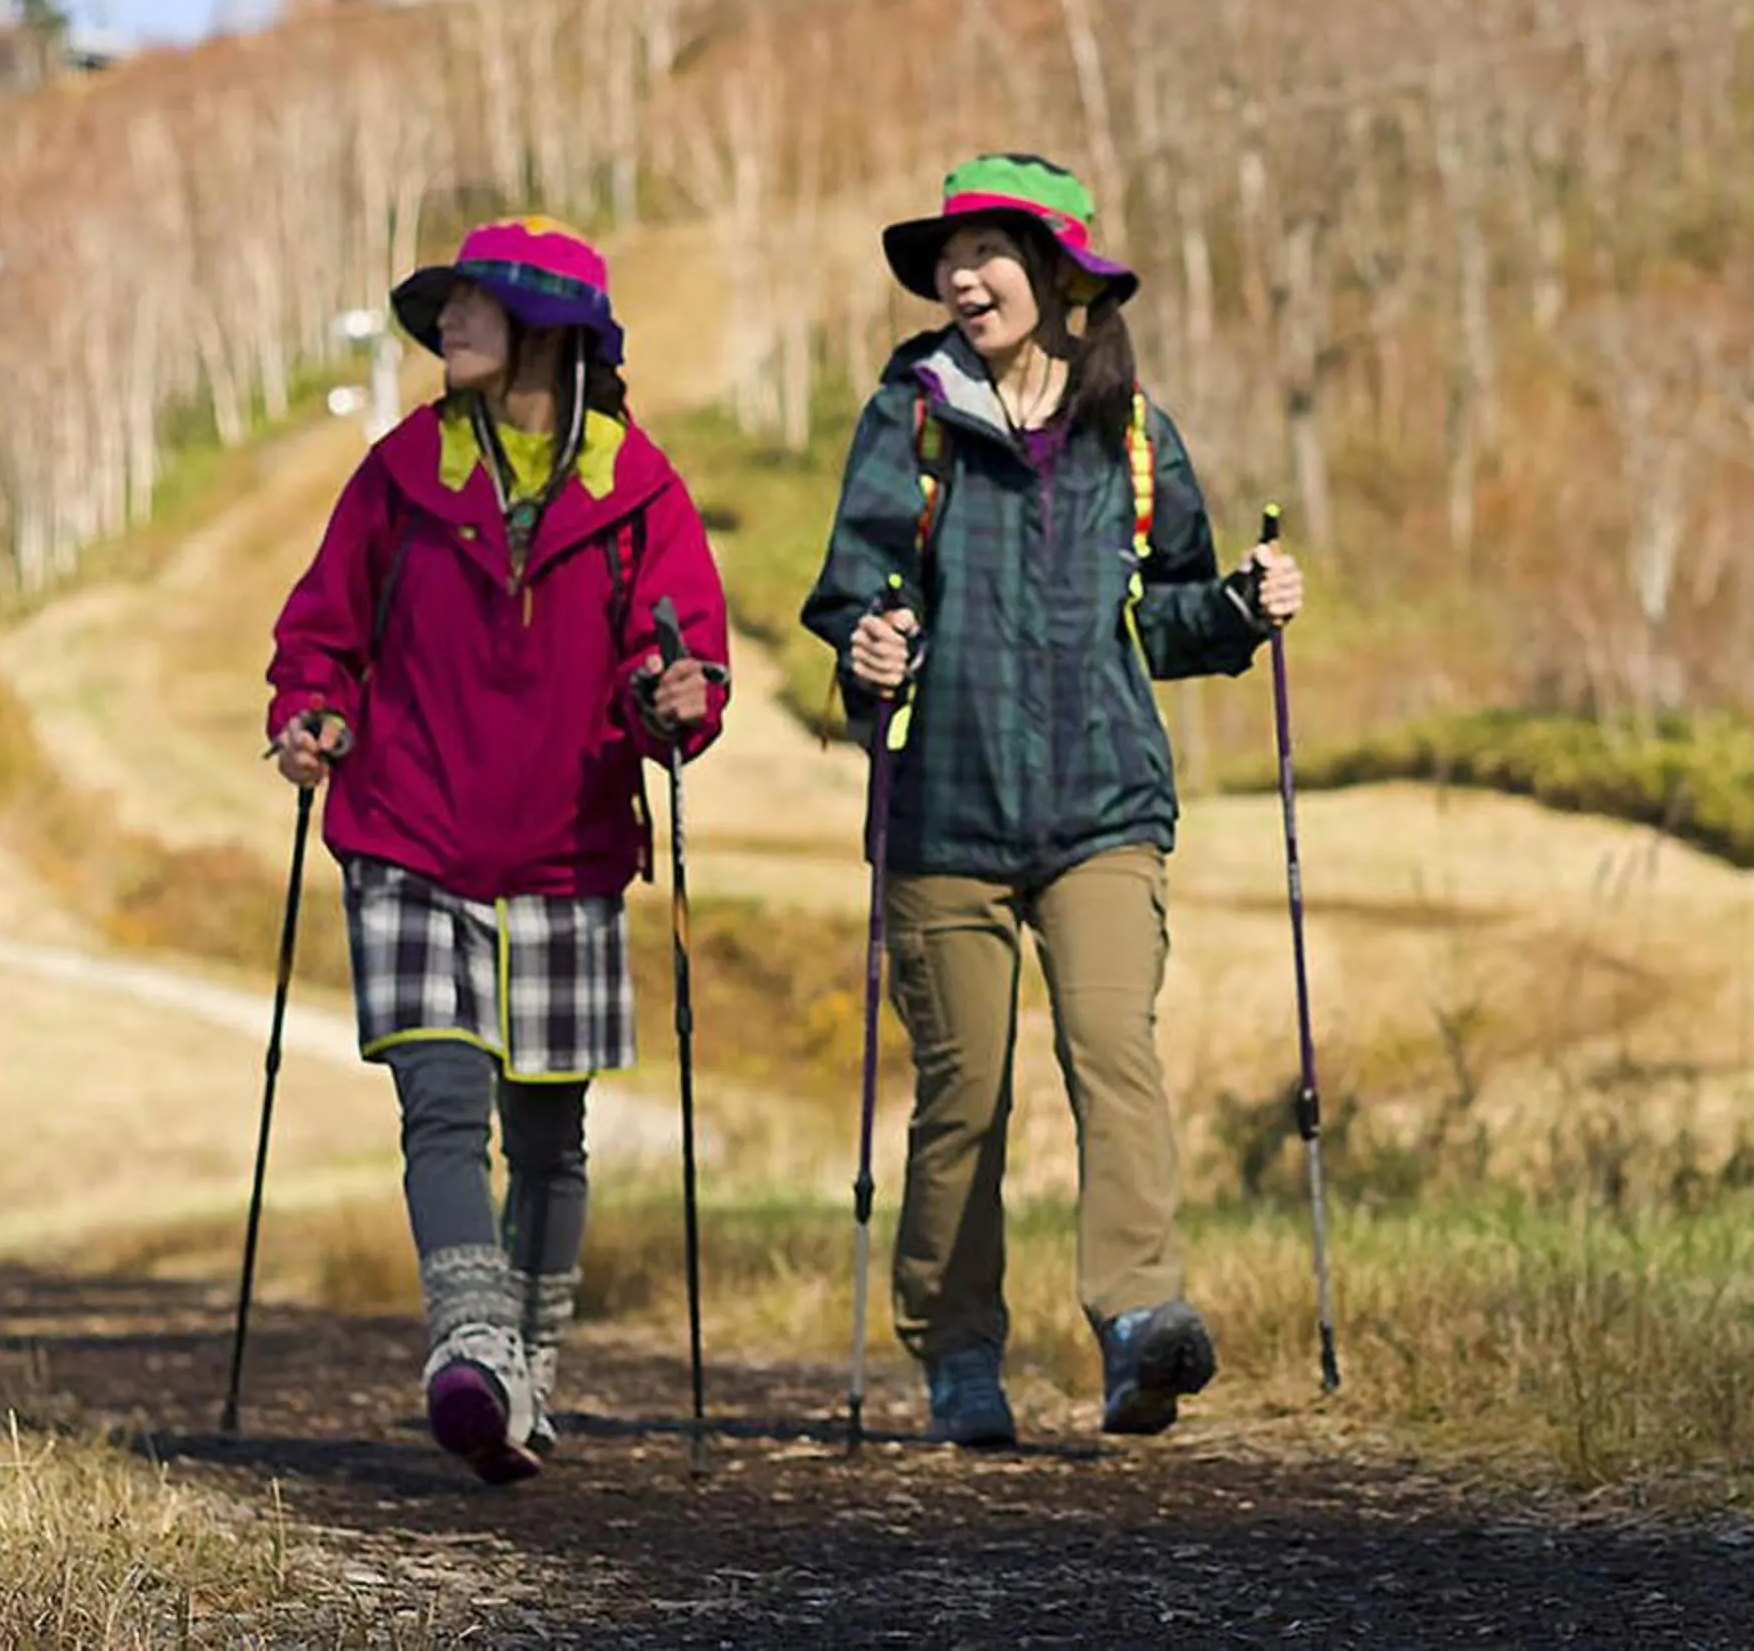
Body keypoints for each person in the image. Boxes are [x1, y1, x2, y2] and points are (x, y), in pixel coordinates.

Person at [801, 152, 1305, 1445]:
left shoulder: (1131, 435)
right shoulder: (908, 418)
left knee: (1113, 1050)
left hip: (1103, 804)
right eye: (950, 257)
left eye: (991, 252)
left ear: (1063, 276)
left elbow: (1171, 614)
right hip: (945, 808)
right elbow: (855, 589)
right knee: (965, 1096)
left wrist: (1244, 605)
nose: (964, 277)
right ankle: (960, 1343)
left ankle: (1139, 1322)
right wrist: (866, 642)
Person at [266, 216, 731, 1484]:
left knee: (548, 1134)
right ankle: (470, 1347)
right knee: (443, 1099)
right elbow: (321, 632)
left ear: (549, 331)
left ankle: (526, 1374)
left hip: (568, 843)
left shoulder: (639, 491)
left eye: (475, 302)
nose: (445, 321)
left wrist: (679, 700)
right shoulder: (399, 470)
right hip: (408, 830)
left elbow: (673, 657)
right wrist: (310, 710)